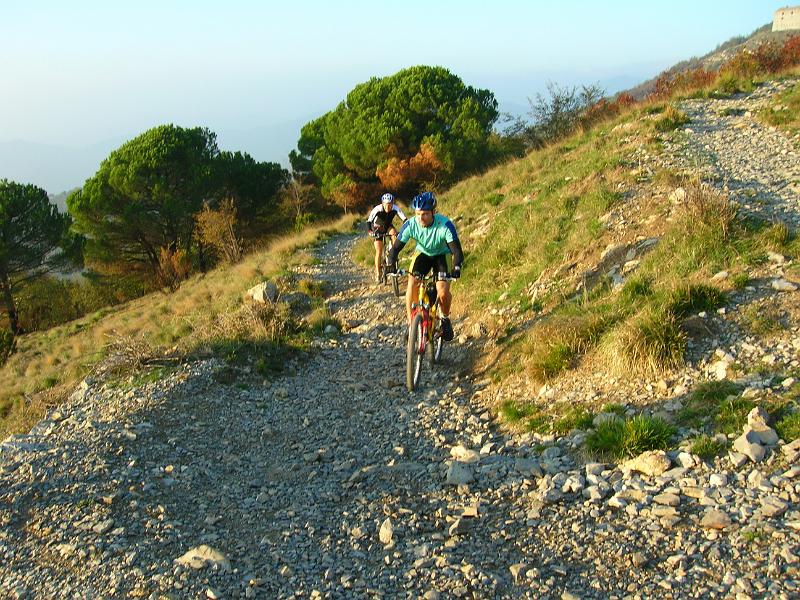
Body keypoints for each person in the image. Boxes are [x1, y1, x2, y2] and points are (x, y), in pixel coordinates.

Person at [386, 191, 462, 342]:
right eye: (418, 214)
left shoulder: (445, 225)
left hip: (442, 255)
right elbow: (395, 249)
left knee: (442, 292)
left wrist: (456, 267)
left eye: (425, 214)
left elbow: (457, 251)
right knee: (412, 282)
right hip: (423, 254)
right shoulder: (411, 224)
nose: (421, 218)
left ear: (433, 212)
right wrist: (390, 263)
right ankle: (411, 323)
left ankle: (445, 319)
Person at [366, 193, 407, 283]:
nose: (388, 207)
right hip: (377, 228)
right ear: (382, 203)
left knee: (394, 234)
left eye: (390, 204)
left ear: (392, 204)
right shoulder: (377, 209)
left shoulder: (395, 208)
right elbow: (369, 221)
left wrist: (405, 228)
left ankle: (393, 254)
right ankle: (378, 273)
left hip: (388, 226)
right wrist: (370, 231)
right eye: (386, 204)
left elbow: (404, 219)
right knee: (379, 251)